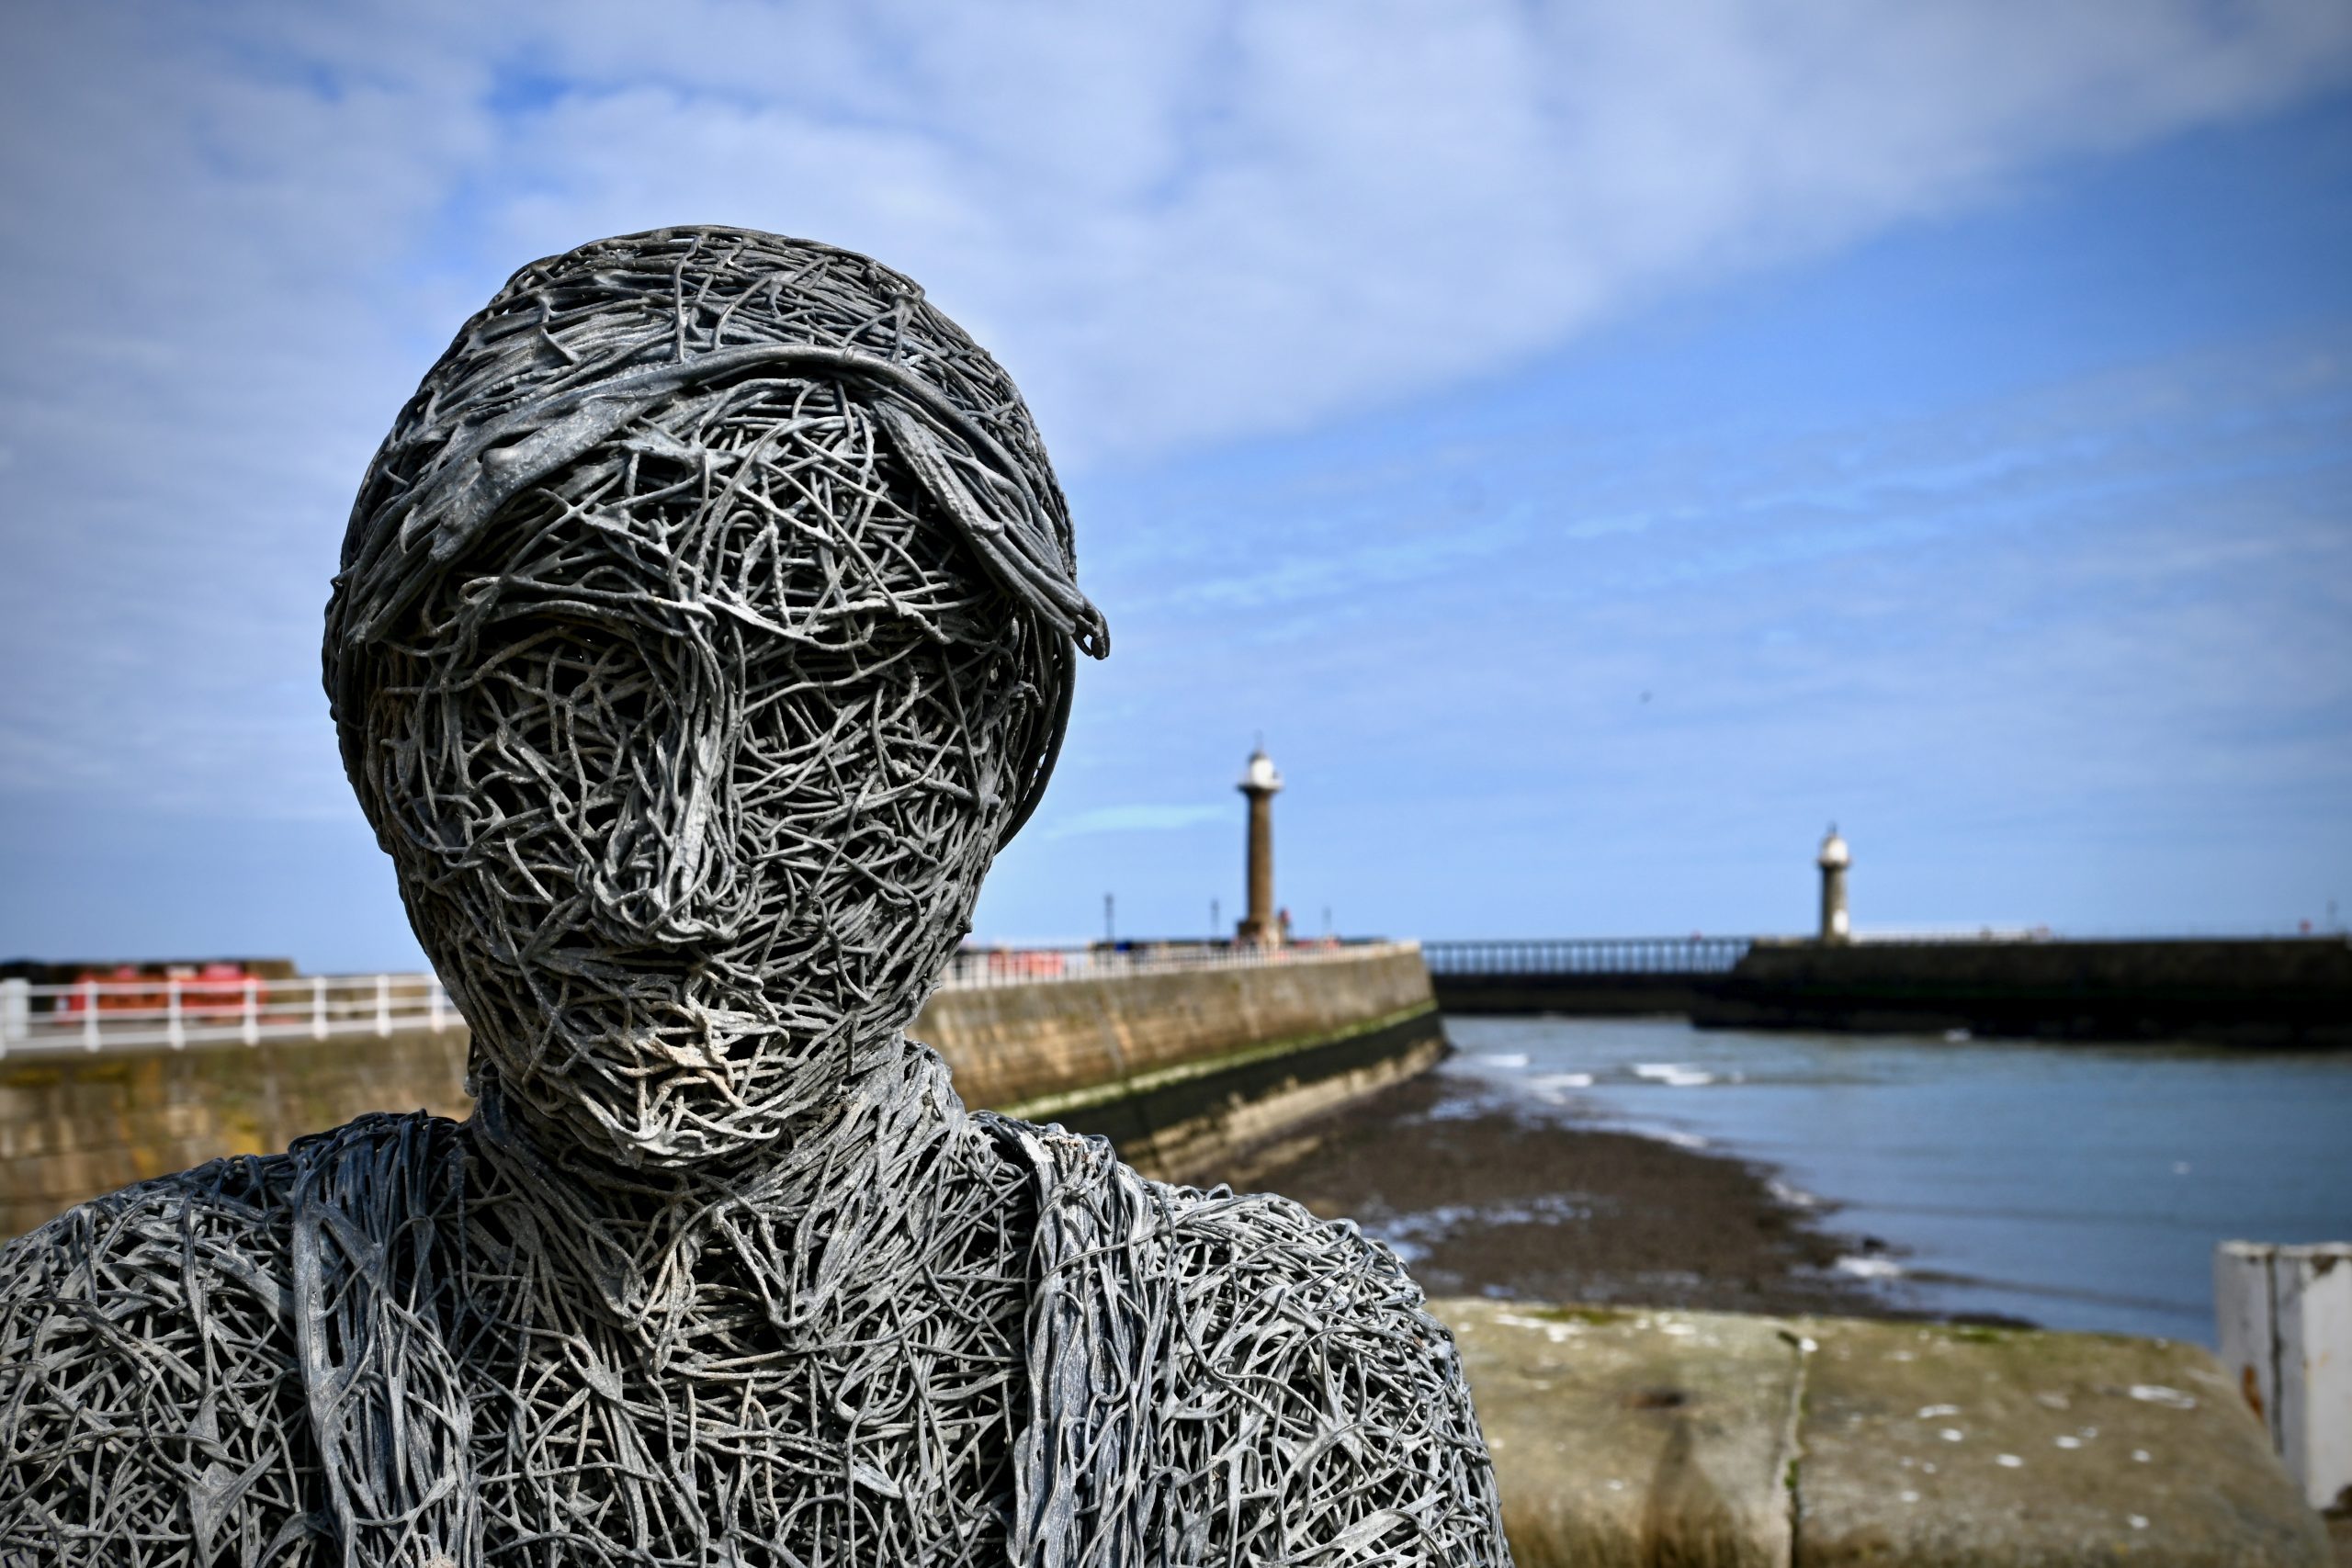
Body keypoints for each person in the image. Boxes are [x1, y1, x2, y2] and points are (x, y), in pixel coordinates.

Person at [0, 228, 1509, 1566]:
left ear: (1002, 764)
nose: (678, 880)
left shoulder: (1284, 1382)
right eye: (565, 698)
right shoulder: (112, 1375)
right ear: (391, 752)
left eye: (816, 714)